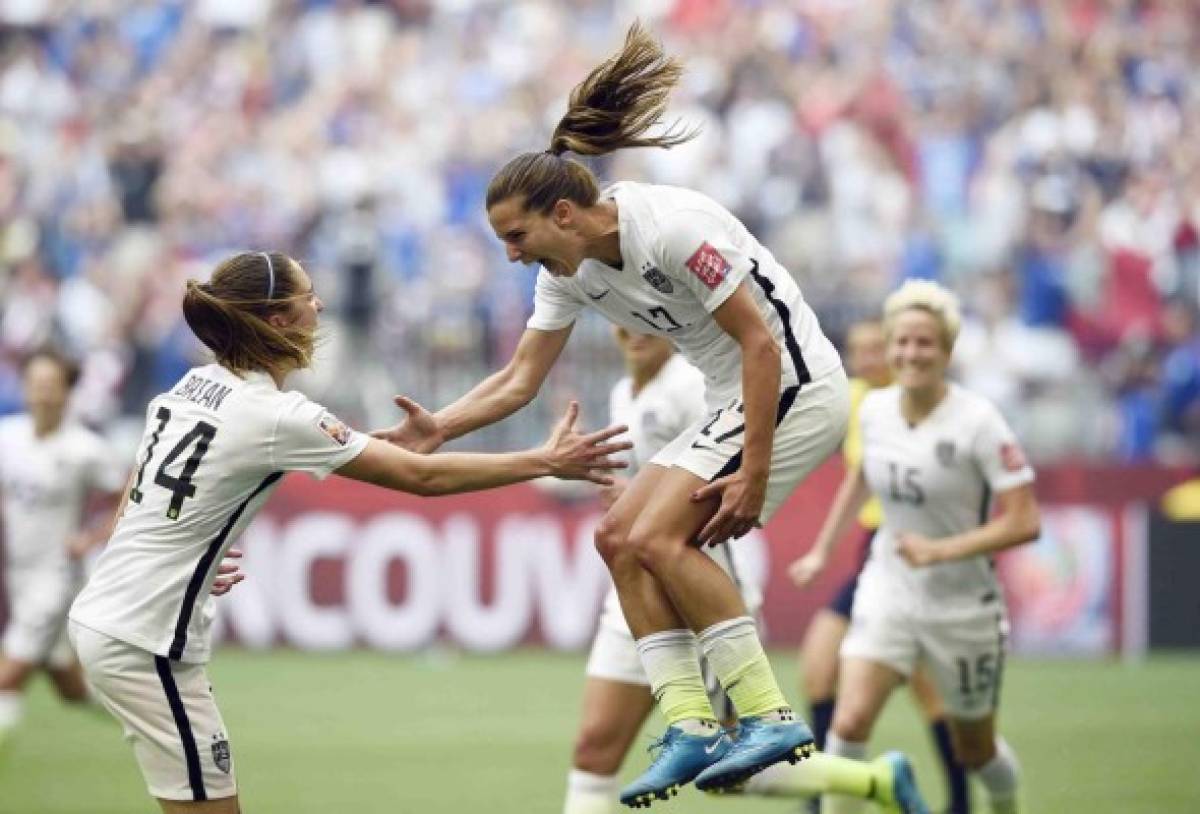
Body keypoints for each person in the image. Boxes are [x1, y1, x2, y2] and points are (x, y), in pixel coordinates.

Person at [373, 23, 923, 810]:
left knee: (652, 535)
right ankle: (693, 724)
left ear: (563, 213)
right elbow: (520, 379)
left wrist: (755, 473)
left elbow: (761, 345)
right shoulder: (569, 271)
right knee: (616, 536)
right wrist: (440, 429)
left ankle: (767, 715)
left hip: (795, 386)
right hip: (733, 397)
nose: (510, 254)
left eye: (515, 235)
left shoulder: (669, 226)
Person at [67, 251, 630, 814]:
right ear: (279, 321)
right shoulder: (279, 415)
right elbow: (421, 477)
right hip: (145, 639)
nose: (320, 304)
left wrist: (190, 558)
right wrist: (544, 460)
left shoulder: (194, 386)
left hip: (113, 615)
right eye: (308, 295)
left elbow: (141, 489)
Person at [562, 328, 931, 814]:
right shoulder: (622, 394)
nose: (636, 331)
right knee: (593, 750)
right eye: (624, 321)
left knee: (735, 766)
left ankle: (873, 781)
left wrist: (645, 502)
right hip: (632, 594)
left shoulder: (690, 387)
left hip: (694, 592)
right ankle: (874, 780)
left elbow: (712, 476)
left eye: (649, 321)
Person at [802, 281, 1039, 814]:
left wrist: (941, 551)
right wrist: (823, 549)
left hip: (963, 604)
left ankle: (1005, 804)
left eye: (924, 343)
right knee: (849, 722)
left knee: (975, 750)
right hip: (889, 586)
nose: (911, 353)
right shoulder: (875, 410)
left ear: (947, 351)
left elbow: (1025, 522)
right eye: (901, 342)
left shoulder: (979, 422)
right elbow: (863, 476)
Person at [789, 320, 970, 813]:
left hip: (912, 553)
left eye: (874, 349)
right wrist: (822, 551)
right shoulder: (855, 401)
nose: (864, 359)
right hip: (871, 552)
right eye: (856, 350)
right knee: (817, 671)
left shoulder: (920, 409)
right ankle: (823, 794)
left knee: (928, 692)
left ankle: (959, 800)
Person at [0, 349, 125, 751]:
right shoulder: (8, 436)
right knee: (67, 686)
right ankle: (147, 716)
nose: (41, 394)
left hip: (57, 575)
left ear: (67, 393)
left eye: (50, 386)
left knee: (9, 673)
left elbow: (127, 495)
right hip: (18, 570)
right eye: (35, 385)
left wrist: (90, 537)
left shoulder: (84, 449)